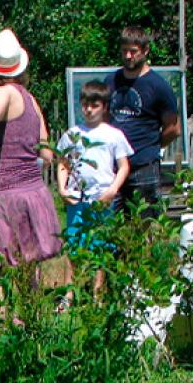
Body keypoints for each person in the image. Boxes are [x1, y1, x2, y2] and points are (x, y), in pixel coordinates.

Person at [0, 29, 61, 268]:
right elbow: (46, 153)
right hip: (34, 193)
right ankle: (34, 307)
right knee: (29, 269)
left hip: (7, 196)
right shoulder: (30, 99)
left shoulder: (3, 92)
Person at [55, 81, 132, 292]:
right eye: (85, 104)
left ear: (104, 107)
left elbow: (124, 166)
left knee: (100, 245)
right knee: (74, 245)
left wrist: (113, 189)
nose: (89, 110)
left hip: (102, 199)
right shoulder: (72, 134)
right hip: (77, 197)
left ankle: (98, 294)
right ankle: (70, 293)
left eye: (95, 105)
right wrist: (62, 189)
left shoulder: (113, 135)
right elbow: (63, 162)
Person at [105, 26, 180, 219]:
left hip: (143, 165)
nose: (128, 56)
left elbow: (173, 128)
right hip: (113, 166)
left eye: (133, 51)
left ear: (145, 51)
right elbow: (104, 119)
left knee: (144, 223)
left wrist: (151, 145)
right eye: (124, 51)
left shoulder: (158, 86)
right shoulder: (111, 81)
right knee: (110, 224)